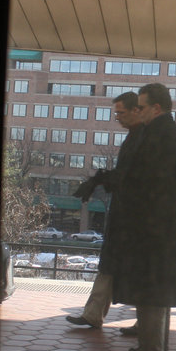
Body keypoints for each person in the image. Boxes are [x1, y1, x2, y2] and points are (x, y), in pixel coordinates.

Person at [112, 83, 176, 351]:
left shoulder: (159, 134)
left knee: (150, 291)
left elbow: (146, 182)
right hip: (160, 229)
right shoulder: (164, 131)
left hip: (154, 229)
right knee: (153, 291)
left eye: (141, 107)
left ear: (156, 108)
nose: (138, 112)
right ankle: (152, 347)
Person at [64, 92, 144, 328]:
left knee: (124, 267)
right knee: (110, 265)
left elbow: (131, 177)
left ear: (136, 110)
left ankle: (137, 322)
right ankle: (94, 313)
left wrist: (101, 180)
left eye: (121, 112)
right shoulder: (136, 137)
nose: (117, 117)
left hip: (132, 217)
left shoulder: (141, 138)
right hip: (126, 215)